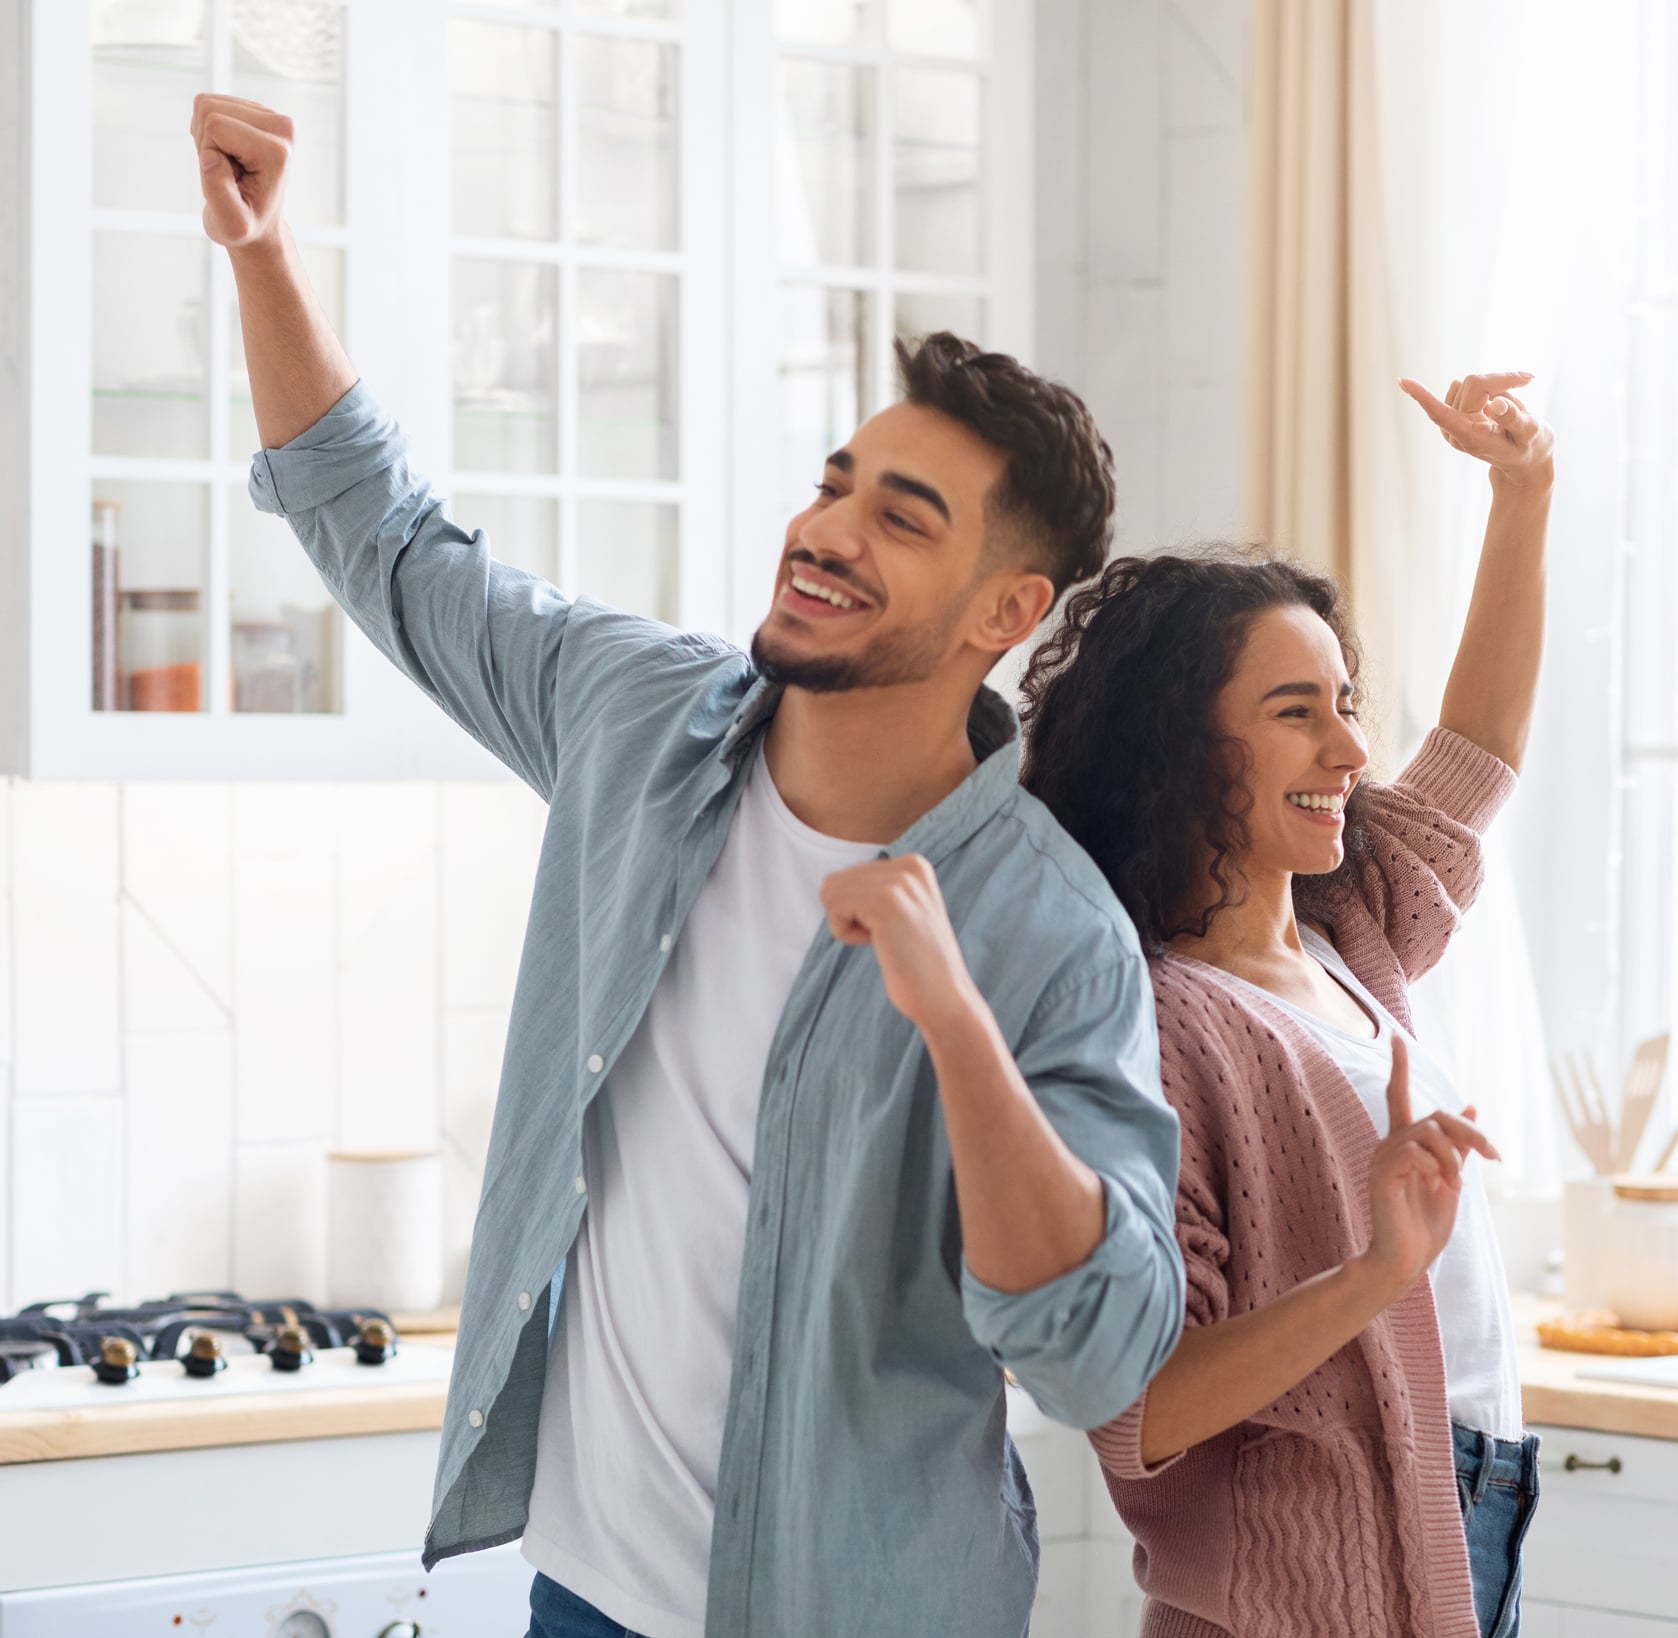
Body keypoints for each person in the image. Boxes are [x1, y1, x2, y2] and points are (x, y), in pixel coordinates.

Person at [190, 93, 1184, 1638]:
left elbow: (1095, 1345)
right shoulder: (637, 719)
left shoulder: (1050, 931)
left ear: (1006, 611)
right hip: (583, 1596)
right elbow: (386, 539)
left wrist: (955, 1019)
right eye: (835, 479)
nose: (826, 527)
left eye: (899, 518)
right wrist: (261, 255)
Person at [1019, 373, 1556, 1638]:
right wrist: (1375, 1274)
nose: (1353, 751)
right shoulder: (1148, 1022)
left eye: (1348, 703)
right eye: (1296, 712)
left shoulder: (1350, 933)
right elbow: (1138, 1403)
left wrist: (1522, 492)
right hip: (1304, 1591)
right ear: (1181, 749)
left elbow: (1478, 748)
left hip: (1471, 1503)